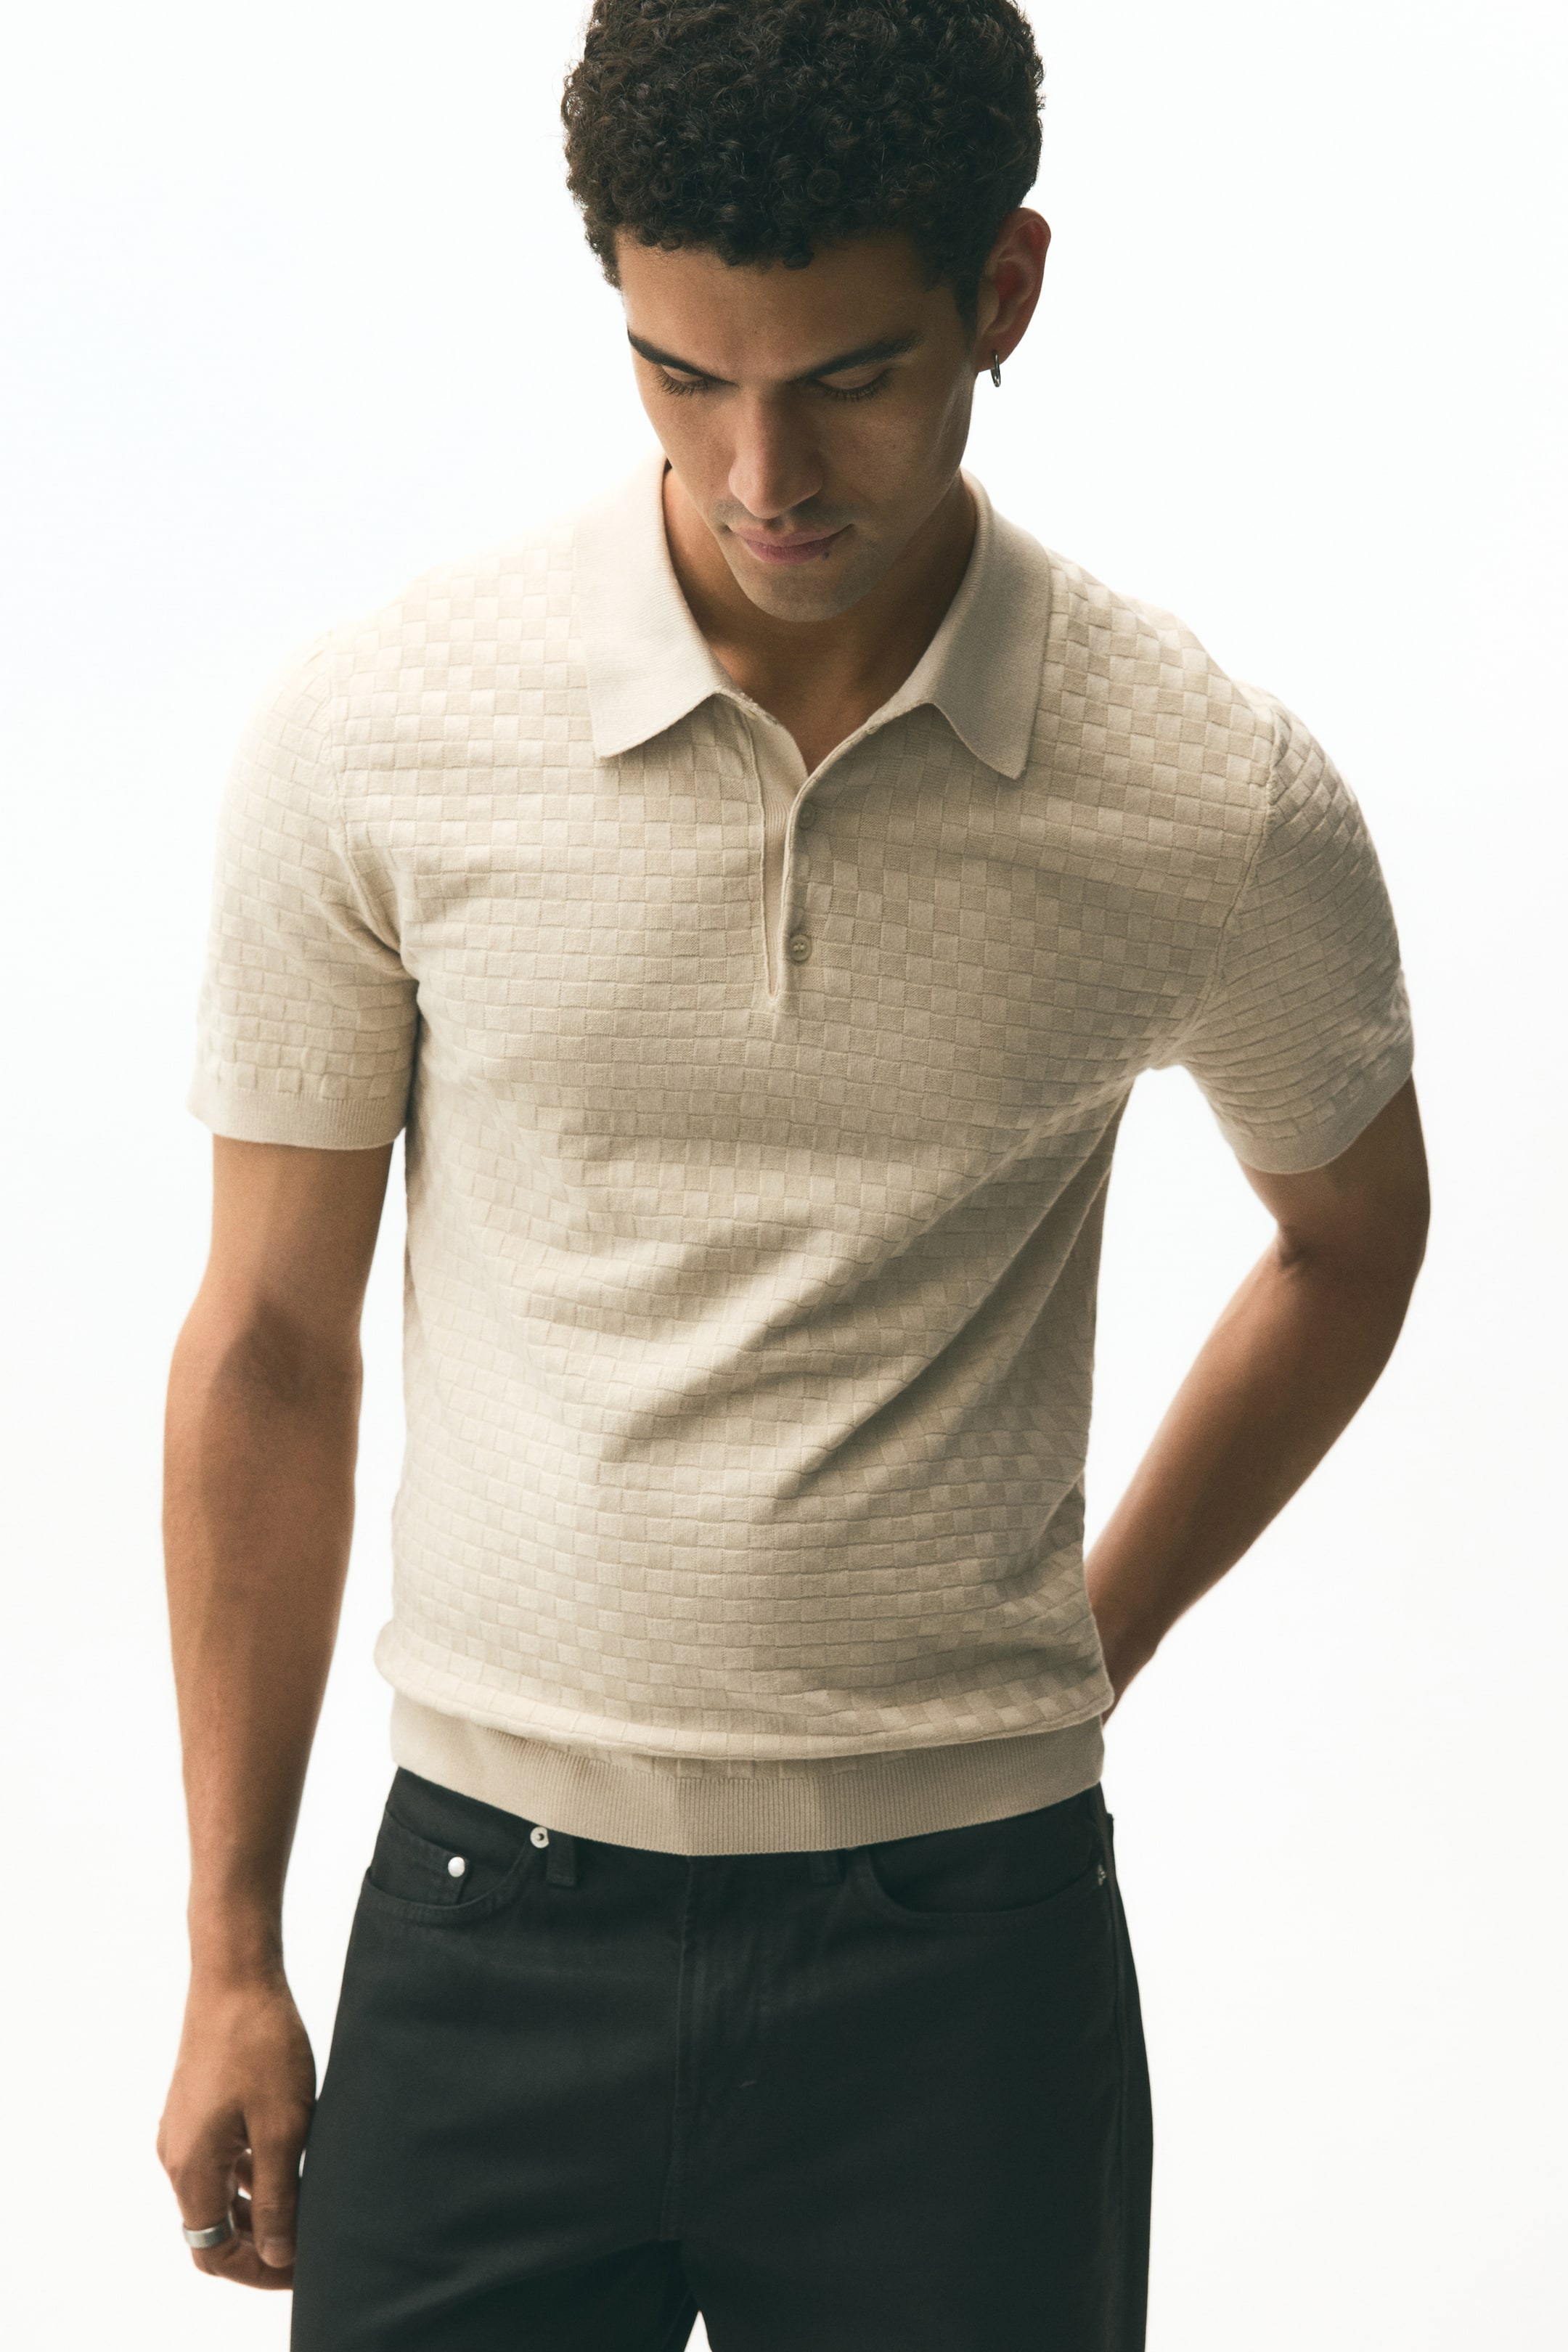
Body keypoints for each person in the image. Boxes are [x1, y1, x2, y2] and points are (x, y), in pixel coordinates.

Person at [155, 3, 1429, 2345]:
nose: (764, 472)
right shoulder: (385, 733)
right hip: (485, 1921)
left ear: (1002, 292)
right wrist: (231, 1944)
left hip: (967, 1963)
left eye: (850, 379)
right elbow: (266, 1344)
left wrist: (1095, 1638)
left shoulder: (1204, 798)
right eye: (681, 375)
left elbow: (1352, 1240)